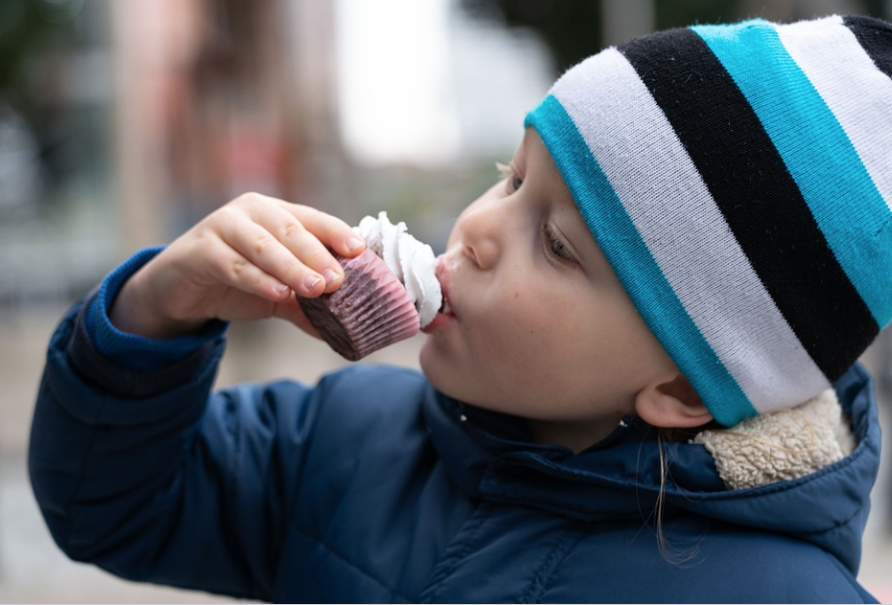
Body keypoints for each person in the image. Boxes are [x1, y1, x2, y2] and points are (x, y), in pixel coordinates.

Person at [29, 14, 892, 603]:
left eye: (556, 244)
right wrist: (158, 312)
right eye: (509, 178)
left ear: (684, 387)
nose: (476, 229)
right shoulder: (339, 442)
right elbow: (108, 504)